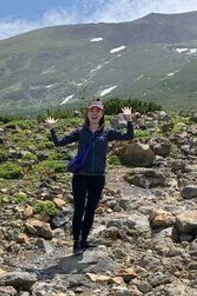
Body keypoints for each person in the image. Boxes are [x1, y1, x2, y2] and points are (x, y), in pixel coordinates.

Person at [45, 99, 133, 254]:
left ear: (102, 114)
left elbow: (128, 136)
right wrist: (52, 129)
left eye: (97, 111)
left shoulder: (107, 132)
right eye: (92, 110)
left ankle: (84, 240)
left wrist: (128, 119)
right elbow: (59, 143)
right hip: (80, 176)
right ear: (88, 113)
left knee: (91, 209)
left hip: (98, 177)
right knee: (79, 209)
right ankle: (76, 243)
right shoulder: (80, 132)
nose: (94, 113)